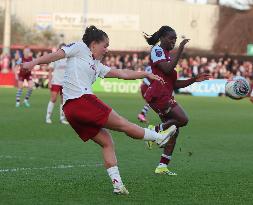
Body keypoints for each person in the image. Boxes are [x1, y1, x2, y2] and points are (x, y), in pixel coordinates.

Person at [21, 25, 177, 195]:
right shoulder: (80, 48)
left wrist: (145, 75)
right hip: (81, 101)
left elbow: (122, 73)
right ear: (94, 44)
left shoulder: (97, 65)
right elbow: (57, 54)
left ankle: (117, 184)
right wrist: (33, 62)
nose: (107, 50)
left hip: (71, 111)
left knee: (107, 141)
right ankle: (157, 138)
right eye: (105, 45)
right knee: (123, 124)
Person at [142, 26, 211, 175]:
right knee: (183, 119)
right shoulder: (157, 50)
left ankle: (162, 166)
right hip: (159, 95)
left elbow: (175, 83)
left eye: (175, 39)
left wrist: (194, 79)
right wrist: (180, 49)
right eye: (171, 38)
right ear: (162, 38)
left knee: (174, 132)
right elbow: (167, 70)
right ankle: (153, 131)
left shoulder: (166, 54)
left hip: (165, 95)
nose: (174, 41)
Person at [46, 43, 69, 124]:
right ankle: (48, 117)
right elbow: (50, 70)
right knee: (53, 98)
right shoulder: (55, 58)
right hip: (56, 81)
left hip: (65, 83)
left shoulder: (68, 58)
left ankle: (62, 118)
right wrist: (49, 82)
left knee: (63, 100)